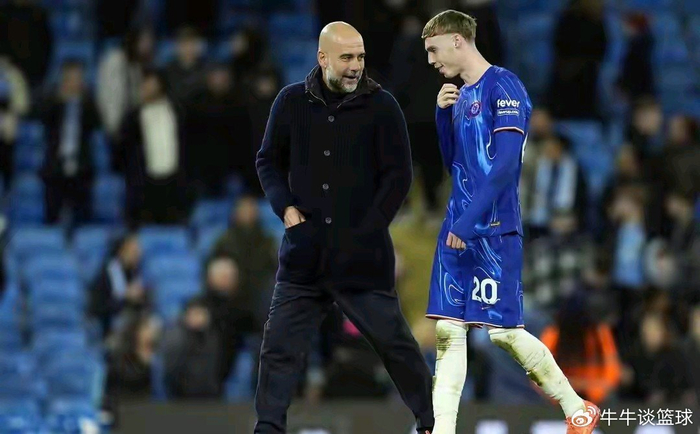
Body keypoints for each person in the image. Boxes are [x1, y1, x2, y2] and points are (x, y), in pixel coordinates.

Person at [421, 10, 599, 434]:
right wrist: (442, 117)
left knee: (502, 334)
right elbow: (453, 164)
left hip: (493, 230)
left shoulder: (505, 87)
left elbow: (503, 169)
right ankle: (442, 428)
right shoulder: (461, 96)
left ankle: (576, 407)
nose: (430, 60)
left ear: (457, 40)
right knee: (448, 331)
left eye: (433, 49)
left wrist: (467, 224)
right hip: (458, 227)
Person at [255, 21, 434, 434]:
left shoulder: (383, 106)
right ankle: (268, 427)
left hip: (362, 257)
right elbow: (268, 161)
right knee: (278, 347)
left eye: (361, 57)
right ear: (323, 58)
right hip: (305, 254)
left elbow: (398, 176)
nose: (356, 65)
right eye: (347, 57)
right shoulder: (290, 102)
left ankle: (433, 423)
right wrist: (286, 210)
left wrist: (369, 229)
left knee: (396, 345)